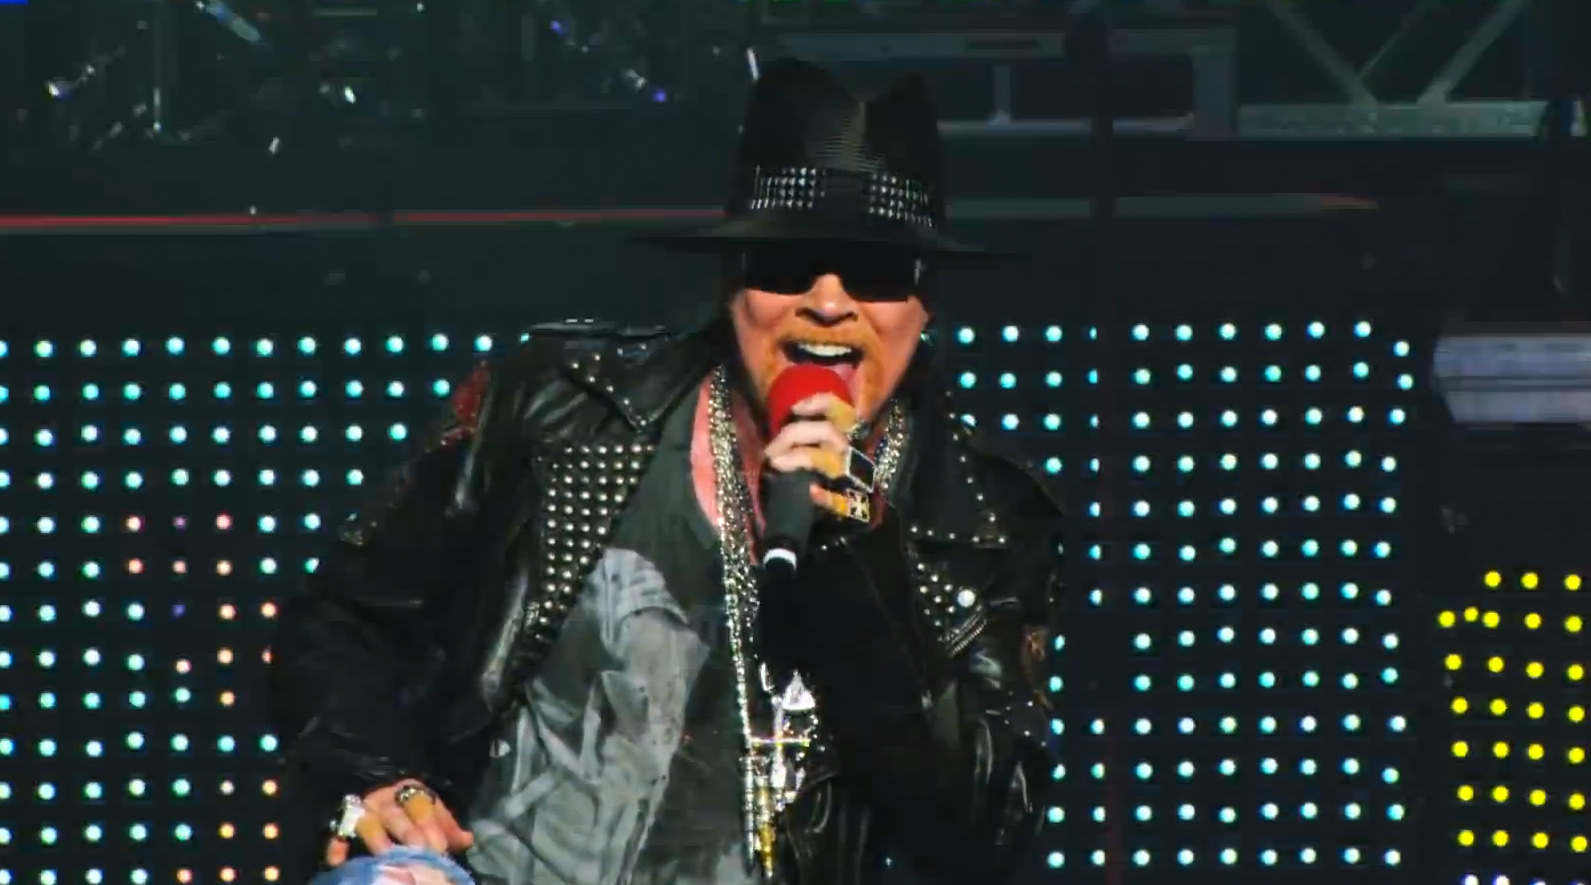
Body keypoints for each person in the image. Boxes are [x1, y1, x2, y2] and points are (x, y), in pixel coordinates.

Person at [267, 57, 1063, 885]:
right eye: (788, 263)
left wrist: (861, 569)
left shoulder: (983, 513)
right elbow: (336, 623)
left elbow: (979, 835)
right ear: (731, 280)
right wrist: (378, 779)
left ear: (925, 302)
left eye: (874, 272)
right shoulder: (553, 407)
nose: (828, 304)